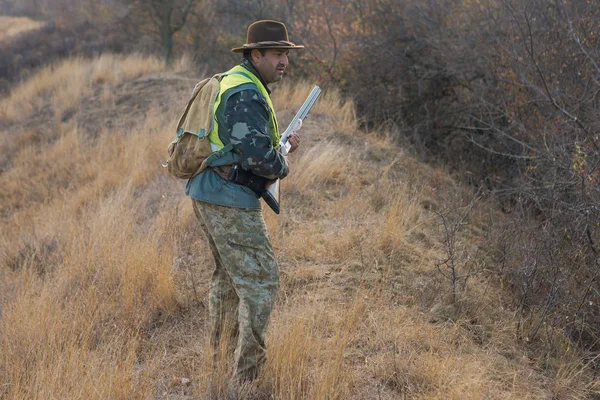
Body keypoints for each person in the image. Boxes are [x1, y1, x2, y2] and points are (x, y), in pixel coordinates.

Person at [185, 20, 304, 383]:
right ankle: (247, 378)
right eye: (277, 54)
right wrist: (281, 159)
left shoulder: (238, 81)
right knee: (261, 280)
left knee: (226, 280)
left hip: (211, 191)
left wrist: (278, 146)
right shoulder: (245, 92)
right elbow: (259, 160)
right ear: (256, 55)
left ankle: (219, 367)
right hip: (227, 197)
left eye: (286, 54)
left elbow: (245, 145)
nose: (284, 61)